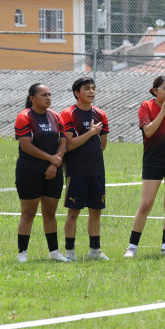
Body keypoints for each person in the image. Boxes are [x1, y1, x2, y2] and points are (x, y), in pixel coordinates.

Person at [124, 76, 165, 259]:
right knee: (146, 203)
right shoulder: (146, 106)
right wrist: (163, 111)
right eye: (164, 88)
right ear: (155, 90)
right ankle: (132, 247)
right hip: (154, 161)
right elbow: (148, 131)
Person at [14, 84, 69, 263]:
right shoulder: (24, 117)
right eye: (43, 94)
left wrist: (55, 163)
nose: (48, 98)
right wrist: (51, 159)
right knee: (28, 213)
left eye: (49, 94)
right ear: (32, 98)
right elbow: (26, 146)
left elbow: (63, 142)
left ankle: (54, 252)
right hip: (29, 170)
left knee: (50, 213)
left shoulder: (56, 116)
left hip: (53, 170)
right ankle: (22, 254)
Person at [60, 77, 110, 260]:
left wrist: (93, 137)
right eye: (87, 88)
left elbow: (102, 145)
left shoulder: (101, 114)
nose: (91, 92)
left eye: (93, 88)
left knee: (96, 211)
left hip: (97, 170)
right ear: (76, 93)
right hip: (77, 171)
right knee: (73, 212)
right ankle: (70, 252)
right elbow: (69, 145)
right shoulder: (68, 114)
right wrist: (90, 133)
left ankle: (95, 251)